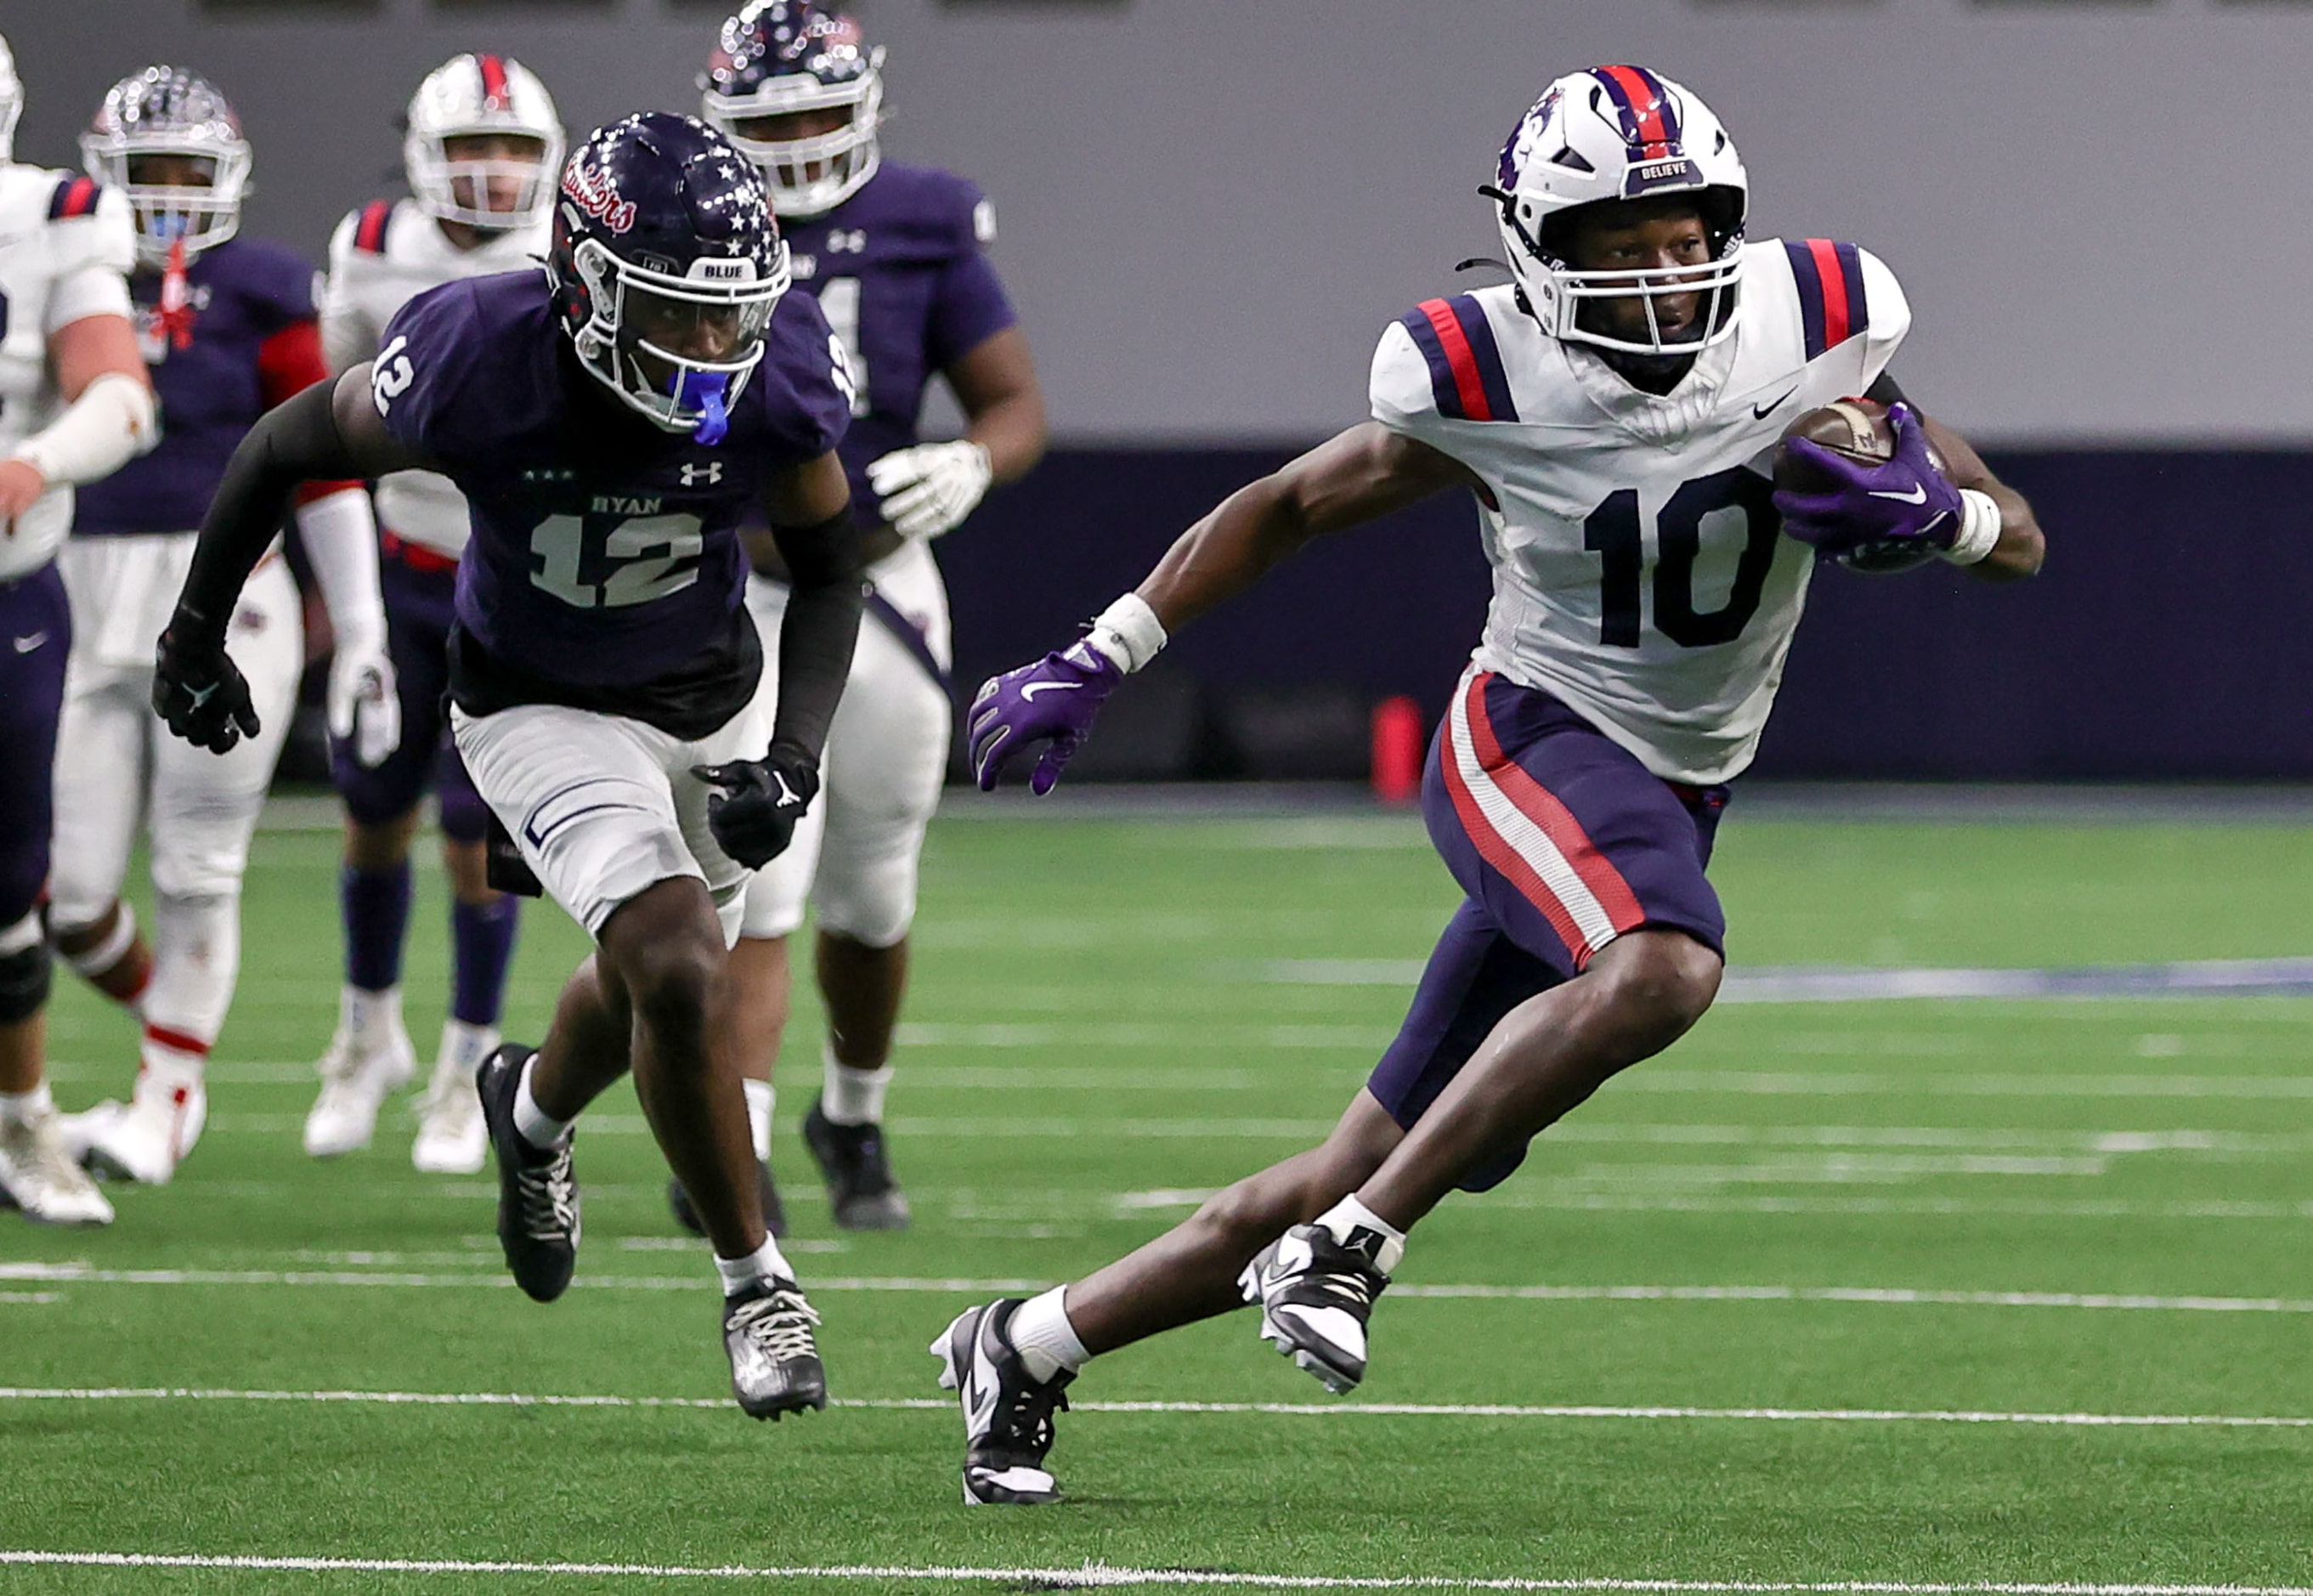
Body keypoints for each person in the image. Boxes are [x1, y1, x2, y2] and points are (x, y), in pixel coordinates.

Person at [939, 65, 2047, 1504]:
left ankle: (1026, 1341)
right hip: (1527, 736)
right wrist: (1100, 652)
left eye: (1682, 237)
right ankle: (1359, 1251)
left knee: (1342, 1160)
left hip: (1671, 788)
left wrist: (1943, 514)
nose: (1661, 275)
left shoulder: (1812, 329)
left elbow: (2018, 533)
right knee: (1661, 965)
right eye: (1616, 244)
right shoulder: (1486, 373)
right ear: (1538, 250)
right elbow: (1286, 506)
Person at [151, 112, 863, 1418]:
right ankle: (757, 1281)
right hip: (532, 699)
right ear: (587, 283)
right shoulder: (477, 353)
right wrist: (197, 635)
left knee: (657, 981)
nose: (720, 345)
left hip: (706, 697)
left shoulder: (776, 369)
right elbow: (280, 447)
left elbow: (828, 571)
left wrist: (797, 758)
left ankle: (527, 1110)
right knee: (676, 963)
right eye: (681, 311)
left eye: (734, 313)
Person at [679, 0, 1046, 1233]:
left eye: (820, 115)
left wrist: (974, 466)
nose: (796, 147)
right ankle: (733, 1138)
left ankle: (851, 1107)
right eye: (769, 123)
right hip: (726, 574)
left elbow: (1011, 402)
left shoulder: (920, 217)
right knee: (753, 875)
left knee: (875, 889)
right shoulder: (677, 217)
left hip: (880, 574)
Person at [48, 65, 392, 1186]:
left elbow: (326, 463)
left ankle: (167, 1093)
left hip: (222, 594)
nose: (168, 196)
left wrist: (364, 621)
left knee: (198, 866)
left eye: (188, 172)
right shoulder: (62, 269)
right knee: (70, 890)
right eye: (148, 171)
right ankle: (177, 1025)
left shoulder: (262, 288)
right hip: (70, 584)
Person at [305, 53, 567, 1172]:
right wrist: (349, 601)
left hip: (510, 574)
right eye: (471, 147)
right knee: (373, 811)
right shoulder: (371, 245)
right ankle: (366, 1030)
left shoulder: (572, 246)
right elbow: (335, 417)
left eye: (513, 148)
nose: (495, 171)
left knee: (477, 835)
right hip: (403, 566)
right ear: (423, 156)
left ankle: (466, 1059)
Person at [0, 33, 157, 1224]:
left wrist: (27, 466)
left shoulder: (54, 218)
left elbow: (119, 395)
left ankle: (20, 1120)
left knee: (11, 877)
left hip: (11, 582)